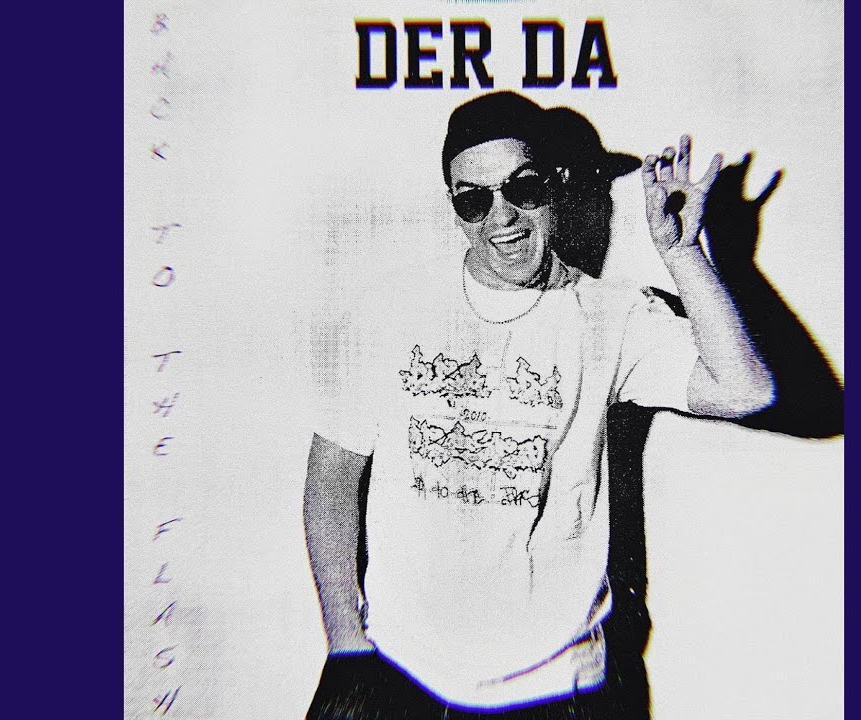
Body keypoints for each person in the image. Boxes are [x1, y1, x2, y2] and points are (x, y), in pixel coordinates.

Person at [303, 91, 774, 718]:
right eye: (474, 200)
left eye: (522, 188)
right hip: (399, 676)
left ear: (557, 185)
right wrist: (346, 643)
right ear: (455, 209)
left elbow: (747, 390)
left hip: (555, 690)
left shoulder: (613, 315)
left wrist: (685, 254)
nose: (502, 218)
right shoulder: (392, 309)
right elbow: (332, 473)